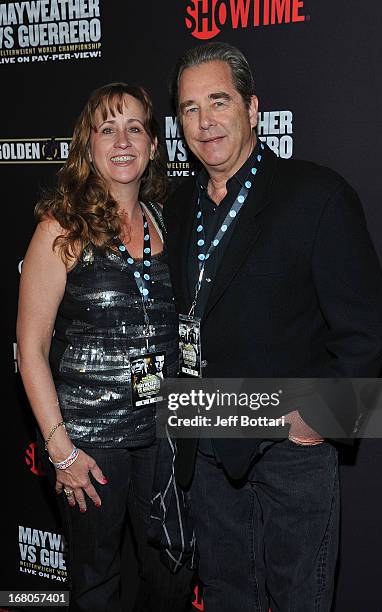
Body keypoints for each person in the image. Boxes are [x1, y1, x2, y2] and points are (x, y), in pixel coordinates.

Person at [163, 43, 382, 611]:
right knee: (225, 596)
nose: (204, 121)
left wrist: (320, 417)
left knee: (300, 598)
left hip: (290, 449)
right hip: (206, 446)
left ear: (252, 108)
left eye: (218, 102)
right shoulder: (175, 203)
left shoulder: (316, 195)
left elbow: (368, 326)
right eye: (189, 109)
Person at [17, 83, 191, 612]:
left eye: (135, 127)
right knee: (96, 587)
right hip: (91, 448)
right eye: (107, 128)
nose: (122, 140)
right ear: (87, 145)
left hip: (163, 439)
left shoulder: (168, 221)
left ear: (154, 145)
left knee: (171, 580)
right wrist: (60, 449)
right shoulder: (60, 229)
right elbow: (30, 344)